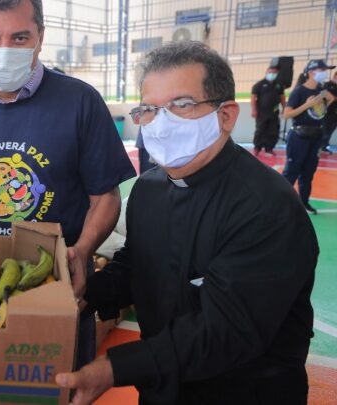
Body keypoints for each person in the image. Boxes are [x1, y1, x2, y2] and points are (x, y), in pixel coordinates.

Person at [56, 41, 318, 405]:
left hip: (245, 392)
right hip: (164, 385)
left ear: (226, 115)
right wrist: (90, 289)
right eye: (149, 109)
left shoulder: (266, 207)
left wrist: (116, 368)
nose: (162, 122)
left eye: (181, 105)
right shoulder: (148, 189)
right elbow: (140, 265)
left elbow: (228, 329)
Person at [0, 0, 135, 369]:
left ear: (40, 37)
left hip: (59, 277)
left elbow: (104, 195)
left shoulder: (80, 100)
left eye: (19, 37)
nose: (5, 49)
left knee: (62, 384)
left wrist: (83, 251)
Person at [282, 59, 335, 215]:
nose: (325, 73)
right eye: (322, 70)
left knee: (308, 171)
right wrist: (307, 105)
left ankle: (304, 201)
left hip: (316, 135)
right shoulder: (299, 91)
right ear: (312, 72)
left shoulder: (322, 90)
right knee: (292, 171)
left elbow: (325, 107)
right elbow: (287, 114)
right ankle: (281, 202)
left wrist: (326, 99)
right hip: (299, 136)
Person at [251, 65, 285, 155]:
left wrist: (284, 108)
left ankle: (269, 148)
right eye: (270, 72)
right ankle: (257, 148)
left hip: (274, 113)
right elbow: (253, 98)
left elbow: (282, 97)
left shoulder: (279, 85)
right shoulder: (259, 84)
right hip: (261, 113)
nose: (272, 74)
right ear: (266, 73)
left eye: (274, 73)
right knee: (260, 130)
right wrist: (254, 110)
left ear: (277, 74)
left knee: (273, 131)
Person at [321, 70, 337, 154]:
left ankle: (324, 146)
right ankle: (319, 146)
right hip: (327, 112)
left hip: (335, 113)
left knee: (331, 130)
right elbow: (324, 95)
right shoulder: (328, 85)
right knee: (325, 129)